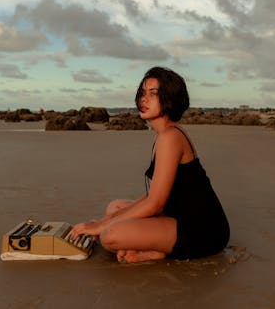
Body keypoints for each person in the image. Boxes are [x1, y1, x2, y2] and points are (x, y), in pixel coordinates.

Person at [71, 66, 230, 263]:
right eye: (143, 93)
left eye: (153, 94)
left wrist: (100, 227)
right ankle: (152, 248)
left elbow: (155, 204)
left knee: (109, 236)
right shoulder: (164, 134)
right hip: (176, 216)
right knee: (115, 207)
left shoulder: (170, 137)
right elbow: (152, 196)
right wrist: (104, 221)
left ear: (170, 98)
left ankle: (156, 251)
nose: (143, 99)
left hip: (202, 230)